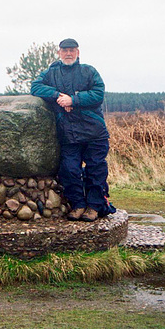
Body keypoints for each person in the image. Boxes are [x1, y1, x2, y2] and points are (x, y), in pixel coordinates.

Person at [30, 38, 116, 222]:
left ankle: (94, 206)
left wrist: (74, 100)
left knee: (96, 170)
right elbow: (35, 87)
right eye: (64, 50)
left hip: (94, 132)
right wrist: (58, 96)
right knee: (69, 170)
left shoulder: (89, 71)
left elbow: (98, 94)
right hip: (68, 133)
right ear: (59, 53)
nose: (68, 53)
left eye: (72, 50)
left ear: (78, 52)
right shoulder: (51, 73)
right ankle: (78, 205)